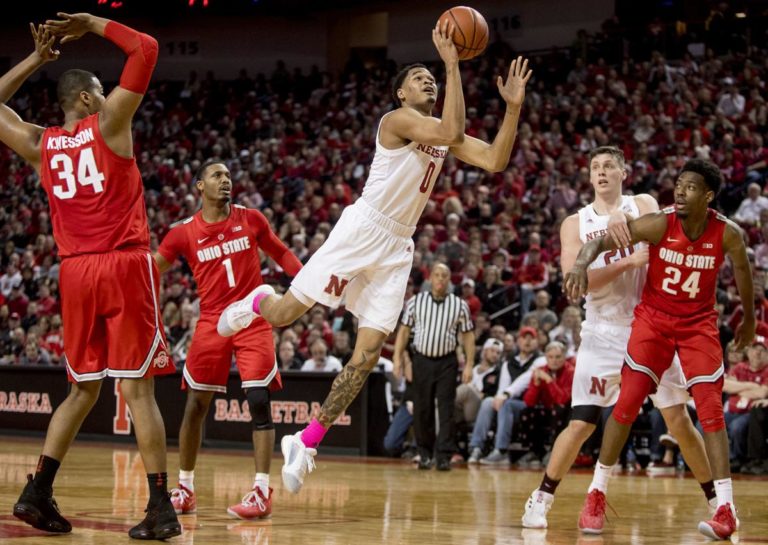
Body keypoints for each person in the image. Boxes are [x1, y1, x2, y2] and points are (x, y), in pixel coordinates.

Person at [216, 21, 532, 493]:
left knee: (365, 358)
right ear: (401, 93)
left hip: (397, 245)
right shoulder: (396, 121)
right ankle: (256, 300)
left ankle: (306, 441)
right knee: (283, 314)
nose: (427, 81)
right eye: (419, 78)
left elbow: (495, 160)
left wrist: (512, 110)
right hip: (362, 228)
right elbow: (451, 128)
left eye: (432, 77)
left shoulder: (442, 133)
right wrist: (450, 63)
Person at [1, 14, 181, 539]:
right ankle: (160, 507)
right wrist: (92, 22)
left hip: (74, 271)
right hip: (123, 264)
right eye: (101, 93)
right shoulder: (109, 124)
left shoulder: (41, 145)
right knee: (139, 392)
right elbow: (146, 48)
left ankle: (37, 490)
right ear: (86, 99)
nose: (108, 98)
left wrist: (35, 58)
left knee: (81, 391)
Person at [522, 147, 716, 530]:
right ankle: (540, 499)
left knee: (678, 420)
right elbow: (574, 285)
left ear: (624, 171)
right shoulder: (575, 224)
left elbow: (655, 227)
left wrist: (619, 217)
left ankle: (717, 503)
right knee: (581, 423)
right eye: (595, 167)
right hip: (602, 330)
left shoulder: (642, 202)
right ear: (589, 177)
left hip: (651, 325)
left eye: (609, 165)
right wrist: (625, 261)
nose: (602, 172)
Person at [564, 159, 755, 540]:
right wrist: (582, 262)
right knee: (628, 402)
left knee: (710, 407)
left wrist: (748, 318)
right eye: (678, 185)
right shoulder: (659, 223)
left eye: (690, 187)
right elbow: (601, 241)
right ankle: (596, 493)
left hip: (697, 324)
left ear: (709, 195)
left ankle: (725, 507)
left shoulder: (727, 233)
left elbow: (744, 271)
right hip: (653, 321)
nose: (680, 192)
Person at [154, 160, 302, 520]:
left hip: (253, 315)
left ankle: (262, 491)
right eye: (216, 175)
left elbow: (280, 252)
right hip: (211, 321)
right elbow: (153, 268)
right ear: (199, 186)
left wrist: (304, 286)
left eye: (228, 176)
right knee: (195, 406)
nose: (225, 180)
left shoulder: (251, 218)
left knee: (258, 400)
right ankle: (185, 487)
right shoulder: (182, 233)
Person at [393, 263, 475, 471]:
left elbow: (467, 336)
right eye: (437, 275)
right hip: (421, 360)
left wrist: (469, 365)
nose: (440, 279)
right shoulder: (415, 302)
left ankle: (444, 455)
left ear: (449, 280)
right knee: (422, 408)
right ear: (430, 278)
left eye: (444, 275)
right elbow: (403, 332)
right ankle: (424, 453)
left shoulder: (459, 305)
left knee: (446, 408)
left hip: (447, 361)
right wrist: (397, 359)